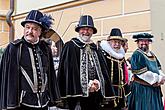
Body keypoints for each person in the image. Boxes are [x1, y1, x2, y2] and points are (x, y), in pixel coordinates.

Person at [0, 10, 60, 110]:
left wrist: (53, 97)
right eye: (27, 27)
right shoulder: (14, 48)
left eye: (34, 29)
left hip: (43, 102)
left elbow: (50, 74)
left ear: (40, 31)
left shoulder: (45, 48)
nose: (30, 31)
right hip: (23, 103)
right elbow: (8, 79)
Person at [57, 15, 115, 110]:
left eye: (89, 29)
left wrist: (98, 83)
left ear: (92, 32)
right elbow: (68, 73)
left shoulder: (96, 48)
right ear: (79, 30)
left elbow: (103, 71)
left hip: (94, 95)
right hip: (77, 97)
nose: (86, 32)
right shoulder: (70, 46)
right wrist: (85, 87)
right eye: (83, 29)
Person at [128, 33, 165, 110]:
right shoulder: (137, 55)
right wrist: (158, 79)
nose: (144, 43)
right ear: (137, 42)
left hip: (154, 89)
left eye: (146, 41)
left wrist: (162, 77)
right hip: (142, 90)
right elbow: (142, 74)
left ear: (149, 42)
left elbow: (158, 68)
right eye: (141, 41)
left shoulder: (152, 54)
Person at [100, 28, 130, 110]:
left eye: (119, 42)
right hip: (108, 92)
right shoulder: (104, 55)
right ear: (109, 42)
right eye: (115, 42)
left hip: (120, 93)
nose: (117, 44)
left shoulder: (121, 56)